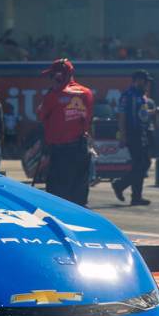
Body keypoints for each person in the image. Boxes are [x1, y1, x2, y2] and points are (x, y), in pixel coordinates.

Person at [37, 58, 94, 206]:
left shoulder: (53, 95)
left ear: (58, 76)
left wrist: (52, 92)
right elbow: (88, 119)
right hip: (80, 149)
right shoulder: (86, 93)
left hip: (60, 152)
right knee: (79, 195)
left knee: (56, 198)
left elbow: (41, 115)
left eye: (51, 76)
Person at [112, 71, 153, 206]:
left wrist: (154, 112)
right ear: (138, 80)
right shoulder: (128, 95)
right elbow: (122, 115)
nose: (147, 84)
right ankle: (120, 185)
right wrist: (123, 135)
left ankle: (136, 196)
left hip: (142, 133)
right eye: (145, 81)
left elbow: (142, 114)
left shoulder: (142, 96)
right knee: (141, 163)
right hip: (132, 133)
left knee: (142, 164)